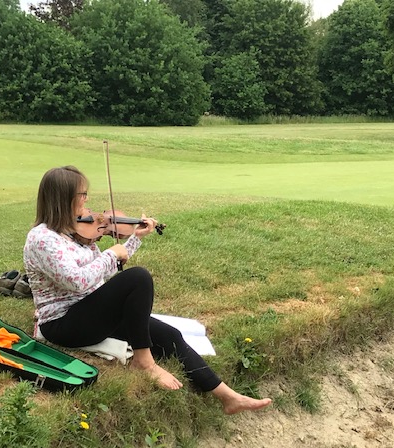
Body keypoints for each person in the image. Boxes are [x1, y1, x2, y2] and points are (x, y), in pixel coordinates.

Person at [23, 166, 271, 414]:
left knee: (170, 334)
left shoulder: (74, 232)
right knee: (138, 277)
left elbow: (103, 272)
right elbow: (77, 281)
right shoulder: (42, 239)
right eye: (82, 194)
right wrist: (111, 254)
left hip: (91, 313)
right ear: (64, 197)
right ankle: (144, 362)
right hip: (63, 324)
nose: (87, 201)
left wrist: (135, 239)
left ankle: (228, 397)